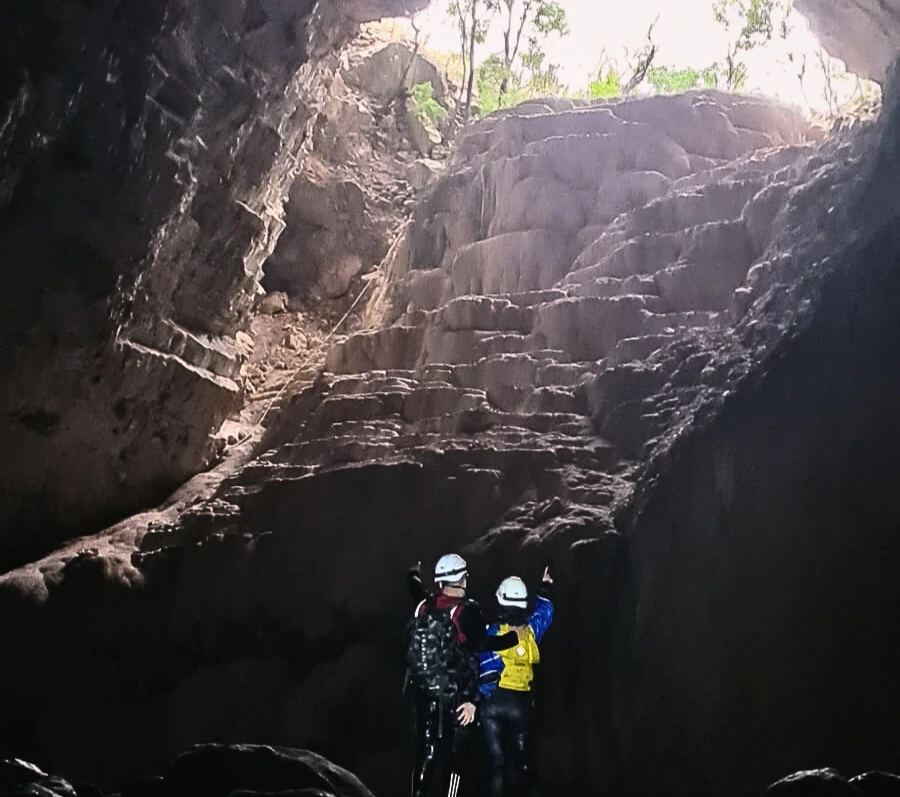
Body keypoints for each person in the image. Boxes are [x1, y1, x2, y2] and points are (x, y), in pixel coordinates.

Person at [405, 553, 521, 797]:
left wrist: (414, 571)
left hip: (425, 693)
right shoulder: (466, 611)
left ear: (440, 582)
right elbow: (482, 645)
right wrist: (512, 638)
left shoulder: (424, 605)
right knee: (457, 759)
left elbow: (413, 586)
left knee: (427, 752)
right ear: (462, 579)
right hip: (458, 698)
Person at [478, 567, 554, 797]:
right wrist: (545, 588)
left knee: (497, 764)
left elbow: (475, 661)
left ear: (501, 601)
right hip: (519, 705)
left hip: (491, 703)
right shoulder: (531, 632)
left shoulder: (490, 633)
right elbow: (545, 613)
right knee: (525, 765)